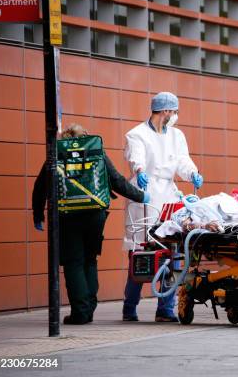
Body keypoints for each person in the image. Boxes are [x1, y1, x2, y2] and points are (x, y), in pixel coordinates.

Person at [32, 124, 149, 325]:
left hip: (67, 215)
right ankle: (89, 309)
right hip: (95, 215)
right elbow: (117, 181)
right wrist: (142, 196)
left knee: (73, 262)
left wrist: (38, 215)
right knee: (89, 259)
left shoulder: (58, 153)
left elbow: (40, 185)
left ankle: (80, 312)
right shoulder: (96, 153)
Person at [122, 91, 203, 322]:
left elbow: (182, 161)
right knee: (141, 254)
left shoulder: (177, 136)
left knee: (172, 252)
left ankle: (165, 309)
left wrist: (193, 173)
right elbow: (135, 157)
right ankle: (130, 307)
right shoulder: (136, 134)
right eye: (174, 111)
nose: (175, 116)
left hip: (168, 196)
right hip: (145, 197)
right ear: (165, 111)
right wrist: (139, 171)